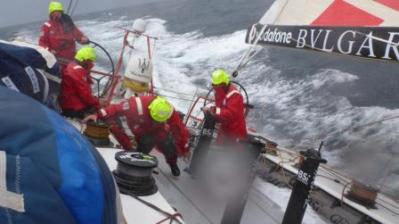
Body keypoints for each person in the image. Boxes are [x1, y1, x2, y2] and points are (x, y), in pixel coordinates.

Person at [83, 96, 190, 176]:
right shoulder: (135, 104)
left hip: (159, 130)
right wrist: (97, 115)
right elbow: (115, 108)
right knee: (140, 153)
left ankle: (173, 164)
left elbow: (179, 130)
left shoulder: (169, 111)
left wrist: (184, 149)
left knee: (169, 147)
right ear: (150, 108)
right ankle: (138, 167)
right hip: (143, 130)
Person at [39, 1, 89, 71]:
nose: (57, 14)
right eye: (55, 12)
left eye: (59, 12)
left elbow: (78, 35)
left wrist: (83, 39)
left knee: (87, 62)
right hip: (57, 59)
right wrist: (49, 50)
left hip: (72, 57)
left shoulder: (68, 23)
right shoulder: (47, 26)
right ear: (51, 13)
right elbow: (42, 43)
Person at [203, 68, 247, 142]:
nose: (215, 87)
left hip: (235, 133)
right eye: (214, 85)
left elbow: (230, 114)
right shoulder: (220, 93)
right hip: (224, 130)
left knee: (229, 152)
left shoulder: (235, 95)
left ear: (223, 83)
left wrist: (213, 110)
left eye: (217, 85)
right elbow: (220, 109)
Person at [60, 46, 99, 119]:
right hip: (74, 108)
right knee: (101, 115)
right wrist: (98, 104)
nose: (92, 65)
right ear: (85, 60)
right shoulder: (78, 71)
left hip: (66, 103)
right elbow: (85, 94)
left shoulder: (71, 65)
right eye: (91, 61)